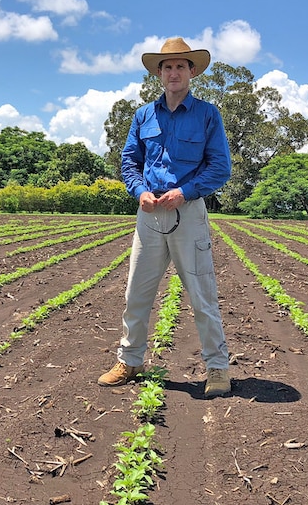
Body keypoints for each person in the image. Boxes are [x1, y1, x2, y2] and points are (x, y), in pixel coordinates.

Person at [98, 37, 233, 398]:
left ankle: (217, 369)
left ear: (192, 72)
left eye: (180, 66)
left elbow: (220, 167)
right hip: (150, 214)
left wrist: (185, 192)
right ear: (159, 73)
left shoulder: (207, 114)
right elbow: (129, 161)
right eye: (167, 66)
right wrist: (139, 190)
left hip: (187, 211)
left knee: (202, 294)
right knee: (136, 293)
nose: (174, 72)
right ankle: (130, 360)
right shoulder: (143, 115)